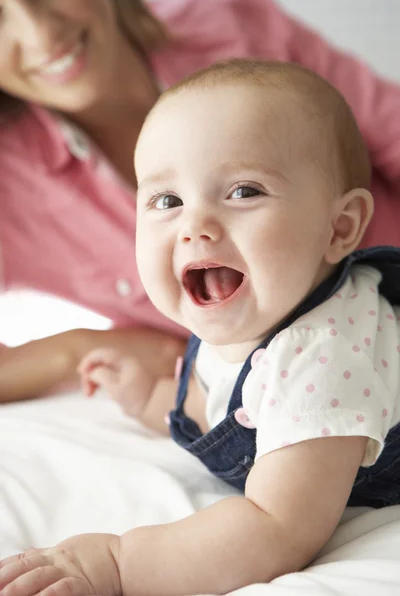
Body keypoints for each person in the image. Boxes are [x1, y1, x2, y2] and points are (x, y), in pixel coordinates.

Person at [2, 59, 400, 596]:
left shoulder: (324, 357)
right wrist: (155, 397)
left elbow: (276, 526)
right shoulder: (251, 307)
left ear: (340, 227)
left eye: (243, 192)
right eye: (167, 201)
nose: (196, 227)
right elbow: (236, 407)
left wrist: (115, 564)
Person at [1, 0, 400, 416]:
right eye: (167, 201)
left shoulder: (226, 19)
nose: (40, 34)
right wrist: (77, 349)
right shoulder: (9, 187)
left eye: (246, 192)